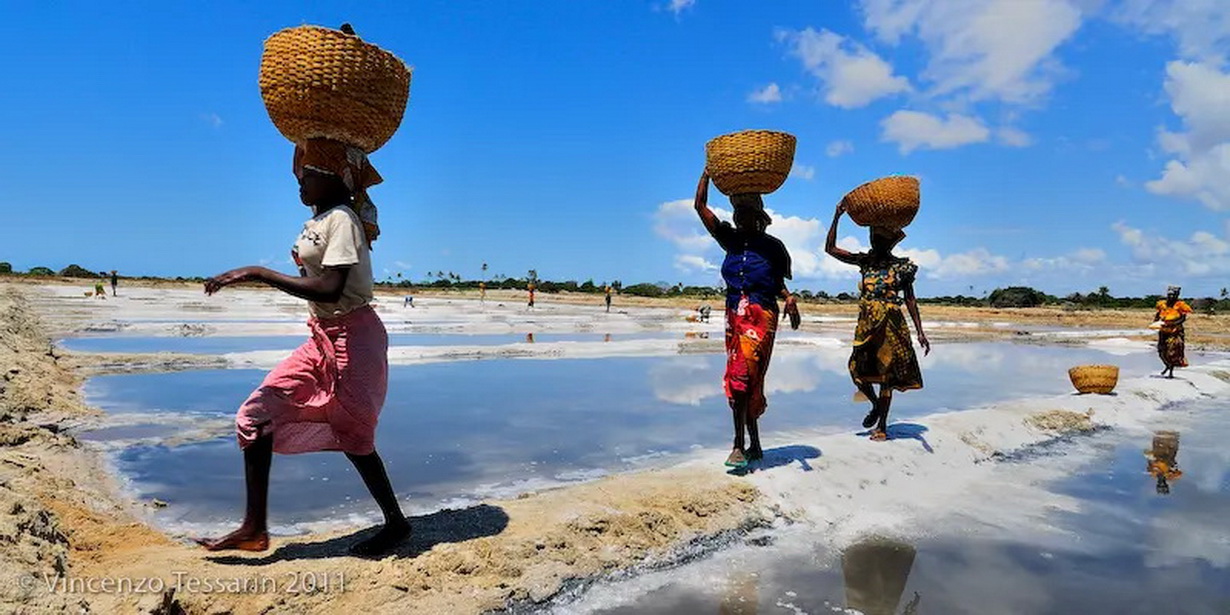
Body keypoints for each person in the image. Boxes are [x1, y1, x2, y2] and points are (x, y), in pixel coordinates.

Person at [196, 138, 408, 556]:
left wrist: (256, 272)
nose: (299, 182)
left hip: (355, 338)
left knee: (356, 433)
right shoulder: (321, 217)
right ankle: (254, 529)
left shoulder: (343, 219)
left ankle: (396, 525)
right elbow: (309, 178)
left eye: (308, 175)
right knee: (255, 416)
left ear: (331, 178)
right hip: (322, 336)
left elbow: (331, 288)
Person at [694, 170, 800, 469]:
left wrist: (789, 298)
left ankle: (740, 445)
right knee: (741, 378)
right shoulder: (729, 239)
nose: (743, 220)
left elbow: (778, 282)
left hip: (761, 314)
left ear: (760, 218)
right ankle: (749, 443)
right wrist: (707, 174)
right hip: (733, 315)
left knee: (748, 374)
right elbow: (700, 207)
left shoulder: (773, 247)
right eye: (739, 214)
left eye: (749, 215)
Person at [826, 201, 929, 442]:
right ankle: (874, 405)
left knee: (886, 377)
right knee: (856, 370)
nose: (874, 243)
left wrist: (920, 332)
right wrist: (836, 216)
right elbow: (830, 248)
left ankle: (882, 425)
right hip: (867, 324)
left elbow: (911, 300)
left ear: (888, 242)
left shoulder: (901, 267)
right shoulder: (865, 261)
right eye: (873, 238)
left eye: (879, 239)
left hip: (892, 325)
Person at [1154, 286, 1192, 378]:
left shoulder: (1180, 305)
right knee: (1161, 350)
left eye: (1173, 295)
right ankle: (1167, 365)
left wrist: (1173, 323)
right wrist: (1156, 322)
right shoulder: (1162, 304)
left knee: (1172, 351)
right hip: (1163, 331)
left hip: (1175, 331)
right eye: (1169, 295)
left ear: (1176, 295)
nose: (1170, 297)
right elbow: (1158, 315)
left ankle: (1171, 370)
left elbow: (1183, 318)